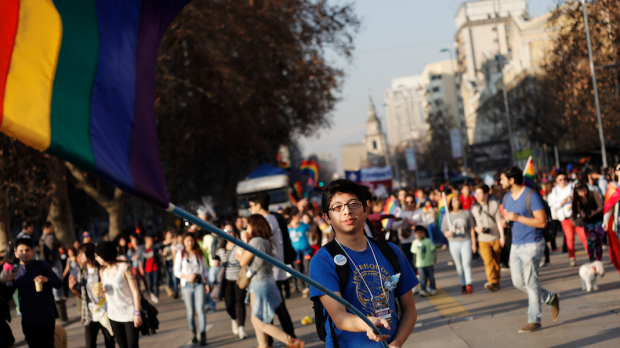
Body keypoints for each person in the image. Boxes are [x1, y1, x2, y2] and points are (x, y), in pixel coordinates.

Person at [309, 179, 418, 347]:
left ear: (365, 210)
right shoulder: (323, 260)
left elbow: (409, 309)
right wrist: (367, 323)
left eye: (353, 204)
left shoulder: (391, 252)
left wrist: (396, 343)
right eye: (337, 207)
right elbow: (339, 317)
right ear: (327, 218)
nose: (346, 211)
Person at [500, 166, 560, 333]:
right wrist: (505, 222)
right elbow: (507, 217)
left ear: (512, 180)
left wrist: (518, 217)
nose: (500, 181)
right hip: (516, 244)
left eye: (502, 178)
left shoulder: (530, 195)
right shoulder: (506, 197)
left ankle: (534, 319)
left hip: (532, 243)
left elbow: (541, 222)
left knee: (531, 283)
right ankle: (550, 297)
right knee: (517, 282)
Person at [237, 215, 305, 348]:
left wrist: (241, 251)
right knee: (256, 319)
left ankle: (291, 341)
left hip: (259, 283)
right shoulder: (265, 240)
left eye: (249, 225)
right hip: (266, 281)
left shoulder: (255, 242)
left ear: (254, 226)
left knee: (259, 321)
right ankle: (264, 345)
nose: (247, 228)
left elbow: (243, 261)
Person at [248, 192, 297, 343]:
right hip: (275, 269)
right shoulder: (275, 217)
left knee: (272, 310)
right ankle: (276, 341)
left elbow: (267, 247)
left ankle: (283, 341)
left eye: (251, 206)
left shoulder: (265, 220)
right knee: (276, 308)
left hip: (269, 271)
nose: (250, 210)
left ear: (259, 205)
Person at [2, 238, 63, 347]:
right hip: (29, 320)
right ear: (16, 253)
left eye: (27, 250)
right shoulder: (15, 272)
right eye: (21, 251)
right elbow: (6, 296)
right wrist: (3, 282)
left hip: (46, 317)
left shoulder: (41, 265)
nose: (24, 253)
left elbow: (58, 283)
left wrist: (46, 279)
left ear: (32, 251)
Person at [96, 241, 143, 348]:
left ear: (104, 255)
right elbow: (106, 296)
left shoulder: (125, 268)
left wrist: (137, 313)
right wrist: (100, 292)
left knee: (132, 346)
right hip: (113, 315)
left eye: (97, 255)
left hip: (129, 313)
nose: (96, 258)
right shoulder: (102, 272)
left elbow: (135, 291)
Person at [68, 243, 115, 348]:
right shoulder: (82, 272)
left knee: (110, 343)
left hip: (106, 313)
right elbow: (82, 297)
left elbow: (111, 292)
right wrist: (73, 289)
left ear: (88, 254)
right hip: (90, 315)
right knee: (89, 345)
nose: (79, 257)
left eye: (81, 254)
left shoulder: (102, 270)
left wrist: (102, 291)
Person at [174, 233, 209, 346]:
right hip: (187, 285)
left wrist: (207, 283)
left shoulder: (199, 252)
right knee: (190, 312)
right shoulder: (181, 254)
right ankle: (194, 332)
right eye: (187, 241)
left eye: (192, 240)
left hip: (199, 284)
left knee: (200, 310)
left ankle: (203, 335)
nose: (190, 243)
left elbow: (205, 270)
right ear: (184, 242)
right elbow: (176, 272)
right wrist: (188, 276)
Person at [471, 184, 505, 292]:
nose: (478, 196)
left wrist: (502, 236)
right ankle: (492, 281)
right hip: (482, 239)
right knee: (488, 261)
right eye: (476, 193)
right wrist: (477, 229)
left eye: (480, 193)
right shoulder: (474, 208)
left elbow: (499, 221)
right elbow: (472, 225)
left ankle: (496, 281)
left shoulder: (494, 204)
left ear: (486, 193)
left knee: (496, 261)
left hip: (495, 237)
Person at [216, 223, 247, 340]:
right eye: (226, 231)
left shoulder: (240, 245)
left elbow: (245, 260)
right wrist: (216, 263)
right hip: (227, 280)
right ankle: (234, 319)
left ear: (235, 232)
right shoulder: (221, 248)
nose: (228, 233)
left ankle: (241, 328)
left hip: (239, 279)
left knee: (240, 302)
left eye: (230, 231)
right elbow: (215, 260)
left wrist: (240, 258)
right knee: (229, 304)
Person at [442, 195, 475, 294]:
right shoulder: (447, 216)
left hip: (466, 240)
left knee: (467, 263)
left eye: (457, 200)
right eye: (453, 201)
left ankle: (469, 283)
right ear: (450, 203)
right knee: (459, 265)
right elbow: (444, 230)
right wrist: (448, 233)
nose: (456, 202)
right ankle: (463, 284)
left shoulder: (466, 213)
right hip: (453, 242)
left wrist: (474, 243)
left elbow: (472, 229)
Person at [548, 171, 583, 266]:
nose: (563, 181)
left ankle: (592, 255)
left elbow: (581, 197)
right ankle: (572, 258)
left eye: (564, 179)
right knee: (570, 238)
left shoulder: (571, 186)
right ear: (557, 180)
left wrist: (573, 198)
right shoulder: (554, 191)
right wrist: (561, 203)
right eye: (560, 179)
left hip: (575, 216)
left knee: (583, 236)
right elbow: (552, 204)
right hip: (564, 217)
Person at [572, 183, 604, 261]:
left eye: (584, 191)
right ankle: (591, 258)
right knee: (590, 240)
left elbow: (601, 206)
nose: (583, 194)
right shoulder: (578, 199)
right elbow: (578, 210)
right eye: (580, 192)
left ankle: (598, 259)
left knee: (599, 240)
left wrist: (594, 212)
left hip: (597, 220)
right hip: (587, 222)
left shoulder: (594, 194)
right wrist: (582, 214)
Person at [287, 207, 313, 297]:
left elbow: (312, 229)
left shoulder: (303, 225)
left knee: (307, 269)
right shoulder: (288, 228)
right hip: (295, 253)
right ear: (293, 216)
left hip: (306, 251)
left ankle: (310, 288)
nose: (300, 217)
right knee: (298, 271)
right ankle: (303, 289)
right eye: (298, 216)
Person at [411, 226, 436, 296]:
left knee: (431, 277)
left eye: (421, 233)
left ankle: (433, 288)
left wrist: (434, 258)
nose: (420, 235)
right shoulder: (414, 242)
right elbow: (414, 254)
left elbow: (433, 250)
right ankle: (423, 289)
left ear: (424, 233)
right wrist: (414, 262)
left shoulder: (428, 241)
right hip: (420, 264)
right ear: (415, 233)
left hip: (429, 263)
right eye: (418, 233)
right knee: (422, 277)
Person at [142, 236, 161, 303]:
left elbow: (162, 244)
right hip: (147, 269)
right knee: (149, 283)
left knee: (156, 282)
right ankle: (151, 294)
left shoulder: (154, 247)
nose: (151, 242)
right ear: (146, 241)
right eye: (150, 240)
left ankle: (156, 296)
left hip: (155, 268)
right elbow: (140, 260)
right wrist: (141, 268)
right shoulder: (143, 249)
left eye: (152, 240)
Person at [161, 230, 179, 298]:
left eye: (171, 233)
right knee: (169, 277)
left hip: (175, 261)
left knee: (174, 277)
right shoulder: (163, 243)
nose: (171, 235)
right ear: (165, 236)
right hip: (168, 262)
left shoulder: (175, 241)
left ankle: (176, 292)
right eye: (169, 234)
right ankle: (170, 289)